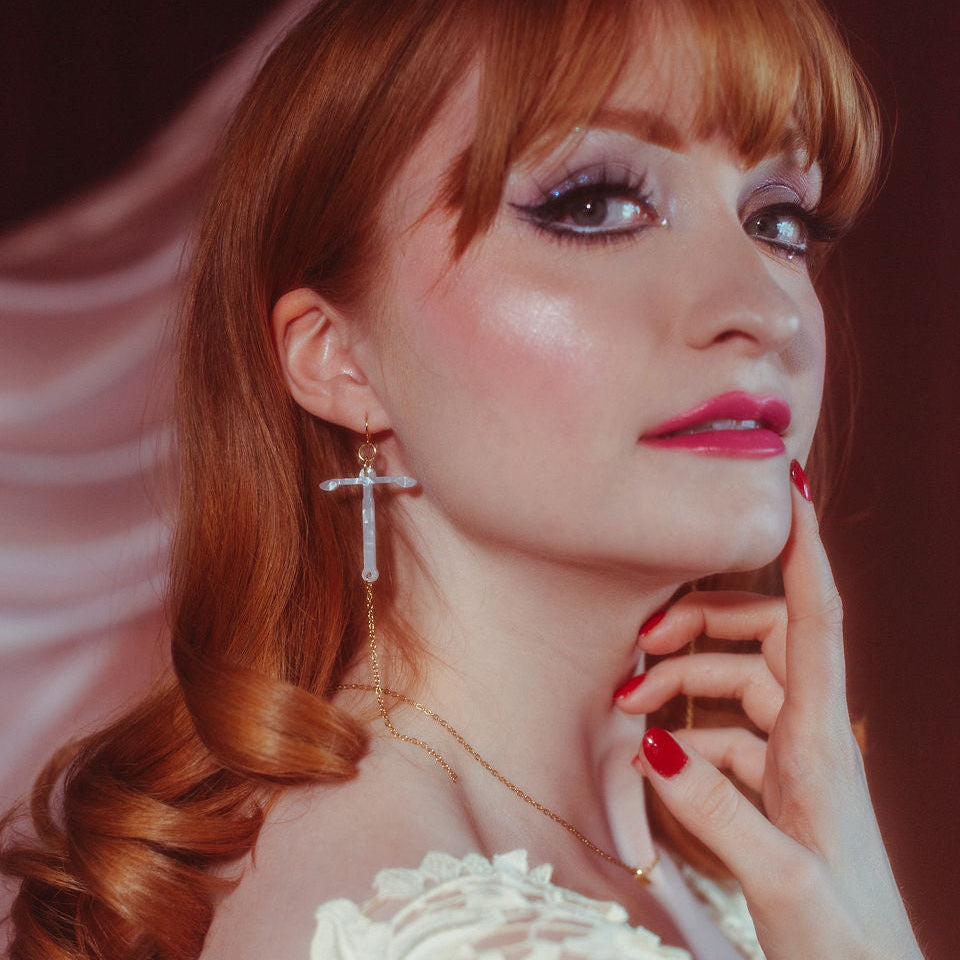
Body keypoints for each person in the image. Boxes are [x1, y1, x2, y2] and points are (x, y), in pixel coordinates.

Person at [0, 0, 928, 957]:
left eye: (778, 220)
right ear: (337, 358)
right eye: (595, 205)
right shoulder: (427, 924)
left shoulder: (712, 864)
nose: (766, 311)